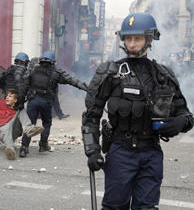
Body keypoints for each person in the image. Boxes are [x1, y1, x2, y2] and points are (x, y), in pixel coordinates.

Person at [81, 13, 193, 209]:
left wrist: (180, 122)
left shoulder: (163, 75)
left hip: (151, 153)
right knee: (115, 206)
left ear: (149, 39)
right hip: (120, 152)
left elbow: (186, 114)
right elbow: (91, 115)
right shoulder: (110, 72)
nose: (132, 44)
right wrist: (92, 150)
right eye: (128, 38)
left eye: (138, 38)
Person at [20, 50, 87, 157]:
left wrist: (20, 101)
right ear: (52, 62)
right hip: (46, 102)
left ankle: (24, 148)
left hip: (32, 101)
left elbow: (23, 85)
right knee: (46, 123)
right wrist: (85, 87)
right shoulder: (56, 73)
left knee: (30, 124)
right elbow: (71, 80)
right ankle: (43, 145)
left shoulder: (32, 70)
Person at [0, 82, 43, 160]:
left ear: (15, 100)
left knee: (21, 110)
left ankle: (29, 129)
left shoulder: (17, 108)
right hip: (2, 131)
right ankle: (10, 150)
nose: (7, 98)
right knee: (6, 129)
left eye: (10, 96)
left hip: (14, 131)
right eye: (7, 96)